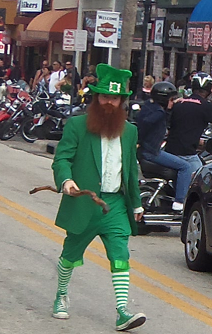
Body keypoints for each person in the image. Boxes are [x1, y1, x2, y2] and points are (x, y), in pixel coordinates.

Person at [51, 63, 146, 331]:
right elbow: (62, 158)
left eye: (114, 98)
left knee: (120, 256)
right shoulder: (78, 125)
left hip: (115, 203)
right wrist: (66, 180)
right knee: (70, 255)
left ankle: (122, 311)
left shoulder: (129, 131)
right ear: (96, 98)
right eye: (104, 97)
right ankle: (61, 295)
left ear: (121, 102)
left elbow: (130, 172)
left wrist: (136, 203)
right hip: (85, 201)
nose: (109, 103)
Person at [137, 82, 192, 212]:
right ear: (164, 99)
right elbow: (147, 124)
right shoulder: (158, 113)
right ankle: (179, 202)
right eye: (172, 100)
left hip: (146, 150)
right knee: (185, 167)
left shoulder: (148, 107)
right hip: (152, 152)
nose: (173, 102)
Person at [165, 72, 212, 174]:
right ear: (208, 89)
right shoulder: (206, 106)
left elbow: (180, 129)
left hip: (169, 151)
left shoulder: (179, 102)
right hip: (186, 154)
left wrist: (200, 141)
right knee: (202, 177)